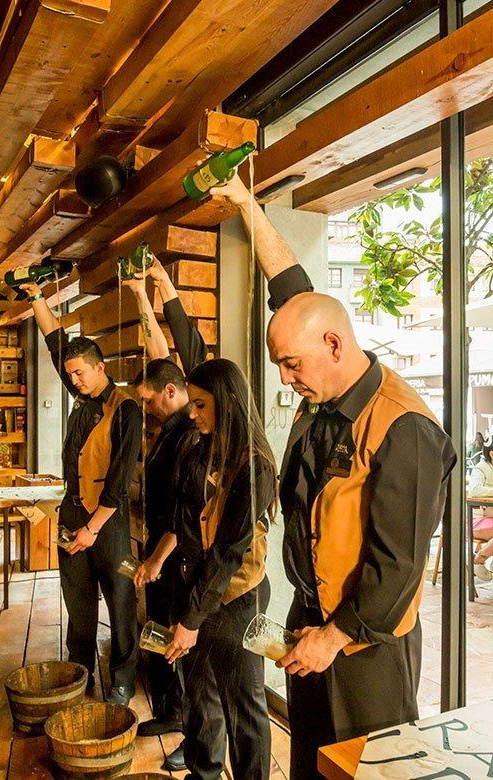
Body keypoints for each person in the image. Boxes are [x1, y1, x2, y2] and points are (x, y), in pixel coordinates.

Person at [210, 175, 456, 778]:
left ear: (334, 343)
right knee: (310, 766)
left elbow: (398, 567)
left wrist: (334, 636)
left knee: (366, 770)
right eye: (281, 367)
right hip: (310, 625)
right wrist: (247, 206)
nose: (287, 379)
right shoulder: (324, 391)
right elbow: (289, 289)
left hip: (365, 646)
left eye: (292, 365)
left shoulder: (406, 429)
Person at [147, 355, 278, 780]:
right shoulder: (201, 449)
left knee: (244, 707)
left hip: (236, 598)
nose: (192, 412)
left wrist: (192, 618)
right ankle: (203, 773)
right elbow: (183, 525)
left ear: (228, 401)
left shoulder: (254, 463)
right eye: (192, 403)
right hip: (195, 589)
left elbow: (228, 553)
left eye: (201, 405)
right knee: (200, 698)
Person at [20, 280, 142, 706]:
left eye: (80, 373)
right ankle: (82, 672)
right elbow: (56, 345)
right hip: (71, 519)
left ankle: (123, 679)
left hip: (107, 525)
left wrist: (92, 528)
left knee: (122, 604)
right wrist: (38, 299)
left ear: (100, 367)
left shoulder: (124, 408)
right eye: (70, 374)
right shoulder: (80, 396)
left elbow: (119, 479)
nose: (74, 379)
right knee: (78, 604)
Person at [124, 261, 206, 772]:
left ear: (173, 395)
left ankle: (193, 732)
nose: (147, 408)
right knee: (160, 635)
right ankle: (172, 711)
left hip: (175, 557)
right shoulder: (170, 419)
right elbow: (160, 360)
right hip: (157, 549)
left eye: (151, 401)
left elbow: (185, 513)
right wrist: (140, 293)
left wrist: (156, 559)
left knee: (181, 642)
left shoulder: (189, 432)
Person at [470, 439, 493, 580]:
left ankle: (480, 556)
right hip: (475, 520)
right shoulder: (480, 468)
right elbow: (475, 490)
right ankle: (478, 559)